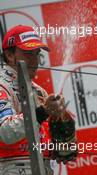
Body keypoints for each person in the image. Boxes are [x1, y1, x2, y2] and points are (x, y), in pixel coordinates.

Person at [0, 25, 77, 174]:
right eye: (29, 54)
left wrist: (63, 145)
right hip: (11, 168)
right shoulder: (1, 86)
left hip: (42, 167)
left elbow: (42, 136)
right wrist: (42, 112)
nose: (35, 61)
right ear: (10, 55)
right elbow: (5, 132)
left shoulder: (38, 91)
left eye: (37, 54)